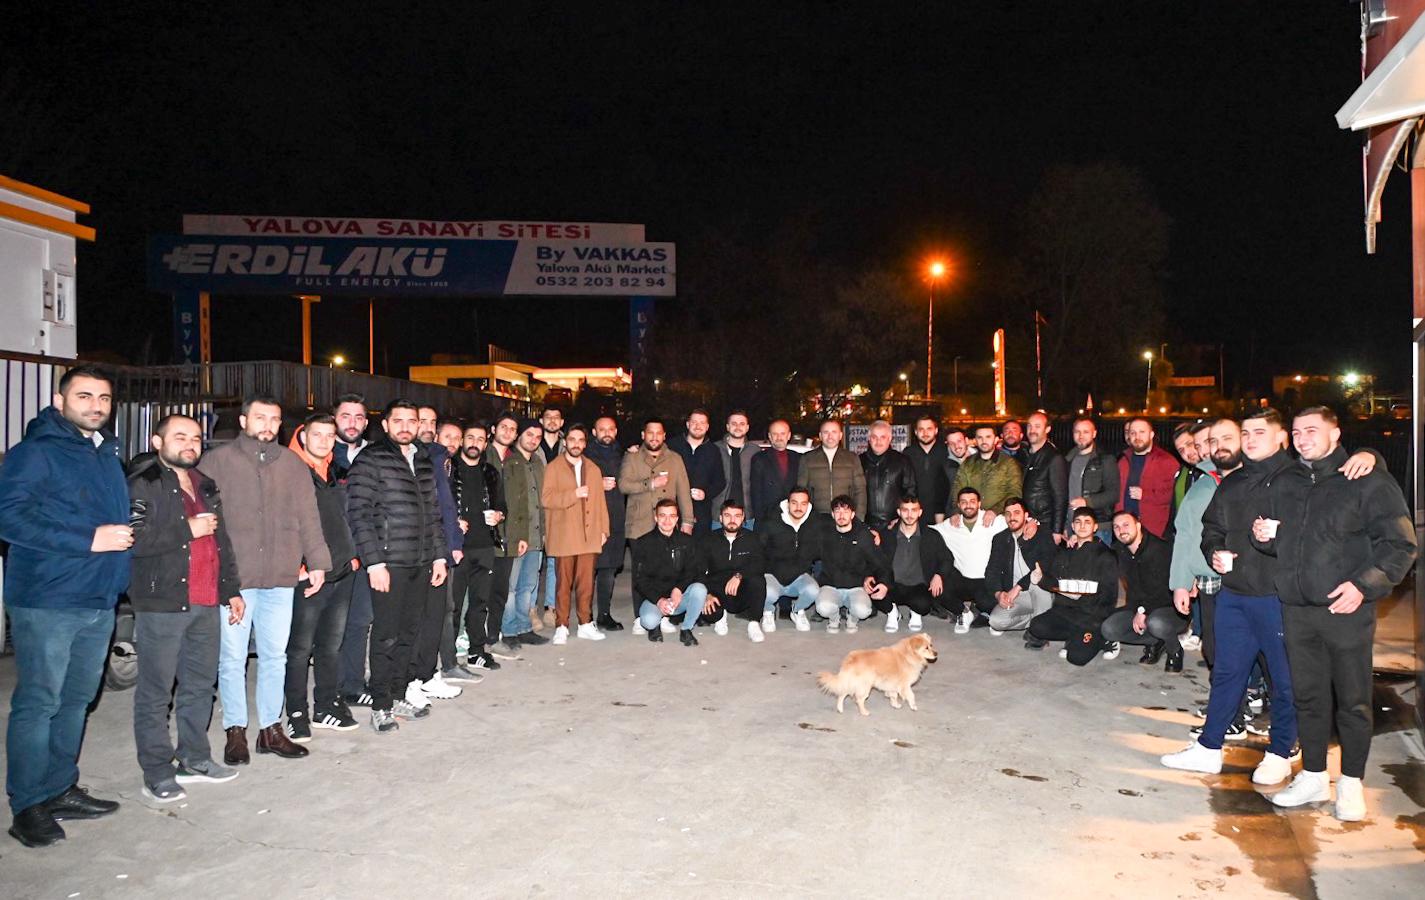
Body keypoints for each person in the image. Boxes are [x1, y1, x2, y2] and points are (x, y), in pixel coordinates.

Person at [1260, 407, 1416, 821]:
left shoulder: (1366, 479)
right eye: (1296, 431)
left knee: (1353, 701)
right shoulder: (1288, 482)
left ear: (1336, 433)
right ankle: (1313, 775)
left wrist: (1363, 586)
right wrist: (1268, 537)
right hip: (1297, 609)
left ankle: (1350, 782)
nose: (1302, 438)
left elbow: (1400, 545)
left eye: (1312, 430)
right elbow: (1284, 541)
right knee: (1308, 697)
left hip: (1346, 610)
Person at [0, 365, 130, 846]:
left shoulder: (104, 452)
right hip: (48, 597)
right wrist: (87, 539)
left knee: (76, 700)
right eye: (84, 396)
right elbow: (9, 517)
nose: (96, 405)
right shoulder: (35, 452)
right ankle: (27, 804)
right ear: (60, 401)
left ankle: (58, 788)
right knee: (40, 702)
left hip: (97, 596)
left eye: (104, 398)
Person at [1162, 408, 1298, 784]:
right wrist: (1215, 552)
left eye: (1258, 433)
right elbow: (1211, 528)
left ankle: (1281, 750)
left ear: (1280, 437)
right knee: (1225, 671)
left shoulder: (1298, 480)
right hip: (1235, 594)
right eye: (1246, 433)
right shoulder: (1233, 482)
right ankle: (1209, 748)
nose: (1250, 440)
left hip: (1277, 597)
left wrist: (1280, 536)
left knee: (1284, 678)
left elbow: (1319, 535)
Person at [202, 395, 330, 765]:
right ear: (244, 421)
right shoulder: (217, 462)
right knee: (232, 657)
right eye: (260, 418)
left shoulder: (291, 464)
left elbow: (308, 516)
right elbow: (205, 520)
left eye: (274, 419)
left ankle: (271, 729)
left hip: (279, 576)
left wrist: (317, 561)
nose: (268, 425)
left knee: (275, 655)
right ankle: (235, 730)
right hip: (236, 578)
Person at [126, 414, 244, 805]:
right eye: (180, 437)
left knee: (200, 686)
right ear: (157, 442)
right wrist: (186, 530)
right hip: (163, 602)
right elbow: (133, 539)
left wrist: (230, 589)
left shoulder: (204, 483)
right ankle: (157, 771)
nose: (190, 444)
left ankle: (194, 758)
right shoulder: (143, 482)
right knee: (156, 692)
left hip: (206, 600)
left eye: (195, 437)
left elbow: (221, 540)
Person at [345, 399, 450, 733]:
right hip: (389, 564)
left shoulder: (423, 460)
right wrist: (374, 562)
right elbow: (359, 514)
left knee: (409, 633)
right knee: (386, 635)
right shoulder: (371, 459)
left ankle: (397, 693)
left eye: (412, 421)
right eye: (398, 421)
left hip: (421, 560)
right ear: (386, 425)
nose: (406, 427)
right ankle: (380, 704)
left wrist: (438, 556)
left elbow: (433, 514)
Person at [283, 415, 364, 743]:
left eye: (330, 435)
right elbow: (284, 524)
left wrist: (354, 555)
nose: (324, 441)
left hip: (342, 570)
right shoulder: (290, 473)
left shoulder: (335, 472)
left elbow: (346, 516)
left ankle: (326, 706)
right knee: (300, 649)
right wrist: (298, 564)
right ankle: (296, 713)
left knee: (331, 645)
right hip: (309, 575)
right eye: (316, 434)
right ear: (303, 437)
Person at [1168, 419, 1233, 666]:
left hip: (1236, 577)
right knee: (1215, 645)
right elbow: (1187, 531)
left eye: (1206, 442)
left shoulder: (1233, 477)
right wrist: (1184, 579)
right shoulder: (1201, 478)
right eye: (1185, 448)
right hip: (1208, 574)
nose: (1197, 451)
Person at [619, 418, 696, 619]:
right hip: (640, 524)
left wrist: (687, 521)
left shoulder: (675, 459)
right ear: (643, 435)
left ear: (664, 436)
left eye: (658, 433)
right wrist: (650, 484)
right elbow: (623, 485)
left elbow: (684, 492)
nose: (654, 437)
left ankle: (666, 613)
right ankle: (639, 617)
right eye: (650, 433)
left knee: (669, 569)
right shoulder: (632, 457)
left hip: (668, 524)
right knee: (640, 573)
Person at [540, 424, 611, 644]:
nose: (576, 444)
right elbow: (546, 499)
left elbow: (600, 502)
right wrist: (574, 494)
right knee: (563, 584)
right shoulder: (553, 468)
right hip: (565, 534)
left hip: (589, 534)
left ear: (585, 444)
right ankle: (561, 625)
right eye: (572, 439)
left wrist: (604, 529)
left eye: (580, 440)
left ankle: (585, 623)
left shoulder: (593, 469)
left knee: (587, 583)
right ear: (565, 441)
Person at [1024, 508, 1120, 664]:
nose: (1082, 526)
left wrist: (1096, 615)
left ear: (1095, 527)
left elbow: (1110, 595)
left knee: (1076, 658)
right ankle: (1076, 637)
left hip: (1091, 616)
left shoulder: (1105, 555)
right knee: (1036, 626)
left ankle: (1104, 638)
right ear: (1073, 527)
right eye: (1078, 522)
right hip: (1065, 612)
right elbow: (1055, 582)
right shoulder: (1065, 553)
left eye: (1087, 522)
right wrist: (1041, 579)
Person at [450, 422, 505, 671]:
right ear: (462, 440)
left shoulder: (491, 472)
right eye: (470, 438)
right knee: (453, 605)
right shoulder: (450, 470)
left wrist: (499, 516)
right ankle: (448, 657)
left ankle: (476, 651)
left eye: (480, 439)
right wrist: (452, 522)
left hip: (484, 546)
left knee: (480, 602)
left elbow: (502, 505)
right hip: (458, 547)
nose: (474, 443)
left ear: (485, 444)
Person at [333, 393, 376, 711]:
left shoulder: (372, 455)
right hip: (332, 556)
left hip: (366, 553)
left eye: (359, 417)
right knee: (331, 626)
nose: (352, 423)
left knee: (360, 620)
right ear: (334, 418)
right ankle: (331, 689)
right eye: (346, 416)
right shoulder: (322, 452)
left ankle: (354, 685)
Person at [1101, 510, 1185, 669]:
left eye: (1126, 525)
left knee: (1155, 623)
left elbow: (1163, 591)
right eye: (1116, 527)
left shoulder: (1159, 549)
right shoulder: (1120, 550)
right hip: (1139, 607)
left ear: (1138, 525)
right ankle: (1156, 641)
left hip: (1170, 609)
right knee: (1109, 628)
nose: (1121, 530)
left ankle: (1174, 649)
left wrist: (1143, 611)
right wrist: (1079, 541)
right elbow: (1101, 556)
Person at [495, 419, 550, 650]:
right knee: (510, 586)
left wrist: (544, 532)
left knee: (527, 586)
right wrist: (514, 536)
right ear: (519, 436)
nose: (533, 440)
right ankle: (508, 630)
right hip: (516, 536)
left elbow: (541, 501)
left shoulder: (537, 462)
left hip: (536, 535)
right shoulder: (509, 461)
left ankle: (524, 627)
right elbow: (508, 503)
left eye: (538, 437)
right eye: (529, 434)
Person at [630, 498, 707, 647]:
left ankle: (686, 629)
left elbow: (692, 571)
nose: (667, 520)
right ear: (656, 518)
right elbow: (640, 580)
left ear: (677, 519)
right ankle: (656, 625)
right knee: (648, 621)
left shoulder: (687, 541)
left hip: (679, 598)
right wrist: (659, 600)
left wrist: (678, 589)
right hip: (655, 599)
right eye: (663, 515)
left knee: (700, 589)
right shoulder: (643, 543)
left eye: (672, 516)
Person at [874, 496, 955, 634]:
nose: (909, 514)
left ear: (920, 512)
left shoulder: (931, 535)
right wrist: (880, 582)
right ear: (899, 512)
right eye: (905, 510)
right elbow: (875, 560)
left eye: (914, 510)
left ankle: (916, 612)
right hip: (893, 584)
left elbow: (947, 559)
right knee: (874, 591)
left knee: (923, 605)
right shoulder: (887, 535)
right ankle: (893, 613)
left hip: (918, 586)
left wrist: (939, 575)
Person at [932, 487, 1008, 632]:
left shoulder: (993, 520)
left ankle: (989, 615)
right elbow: (931, 530)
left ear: (979, 503)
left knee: (988, 603)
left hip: (986, 580)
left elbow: (1018, 520)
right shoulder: (952, 524)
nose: (968, 505)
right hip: (962, 579)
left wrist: (1033, 523)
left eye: (972, 501)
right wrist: (897, 524)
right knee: (937, 590)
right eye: (964, 502)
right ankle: (964, 613)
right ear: (959, 505)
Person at [813, 495, 888, 633]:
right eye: (837, 511)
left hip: (856, 587)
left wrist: (883, 583)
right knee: (823, 607)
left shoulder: (863, 536)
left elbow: (880, 563)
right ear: (832, 514)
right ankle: (834, 618)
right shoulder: (824, 534)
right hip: (831, 585)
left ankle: (852, 618)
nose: (841, 515)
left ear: (853, 514)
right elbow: (807, 554)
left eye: (846, 511)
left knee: (863, 611)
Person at [984, 497, 1057, 635]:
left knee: (1037, 582)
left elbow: (1044, 565)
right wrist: (999, 594)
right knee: (996, 622)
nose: (1012, 517)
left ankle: (1040, 630)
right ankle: (1039, 620)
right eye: (1008, 514)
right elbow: (991, 571)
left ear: (1026, 515)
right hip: (1019, 596)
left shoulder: (1042, 533)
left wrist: (1017, 587)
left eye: (1017, 513)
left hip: (1042, 591)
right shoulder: (1000, 539)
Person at [696, 500, 768, 641]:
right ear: (720, 518)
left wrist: (739, 575)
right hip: (716, 588)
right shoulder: (708, 539)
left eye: (737, 516)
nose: (732, 520)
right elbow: (698, 569)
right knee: (710, 614)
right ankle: (720, 616)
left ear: (743, 518)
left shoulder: (753, 538)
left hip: (740, 588)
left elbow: (760, 564)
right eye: (727, 515)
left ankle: (754, 623)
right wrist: (706, 594)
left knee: (758, 581)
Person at [758, 487, 823, 633]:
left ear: (808, 505)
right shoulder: (772, 521)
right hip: (772, 576)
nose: (798, 508)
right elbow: (759, 551)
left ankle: (797, 610)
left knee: (813, 590)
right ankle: (768, 611)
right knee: (766, 591)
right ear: (787, 504)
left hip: (799, 576)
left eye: (803, 503)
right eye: (794, 503)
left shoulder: (814, 523)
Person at [584, 416, 628, 631]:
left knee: (609, 570)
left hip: (616, 518)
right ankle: (585, 616)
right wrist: (596, 484)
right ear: (594, 432)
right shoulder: (585, 455)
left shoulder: (623, 455)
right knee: (587, 570)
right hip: (591, 519)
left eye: (610, 429)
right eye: (602, 429)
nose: (607, 432)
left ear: (616, 431)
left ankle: (604, 614)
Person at [1116, 418, 1178, 539]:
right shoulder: (1122, 460)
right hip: (1124, 531)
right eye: (1133, 433)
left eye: (1142, 432)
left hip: (1153, 531)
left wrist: (1145, 495)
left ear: (1151, 434)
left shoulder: (1167, 461)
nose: (1137, 436)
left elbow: (1173, 496)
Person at [1063, 416, 1119, 544]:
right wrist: (1065, 524)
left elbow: (1113, 494)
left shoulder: (1105, 460)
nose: (1081, 436)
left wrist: (1087, 502)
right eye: (1077, 432)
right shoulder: (1067, 460)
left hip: (1098, 527)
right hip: (1073, 526)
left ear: (1094, 434)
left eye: (1086, 432)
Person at [669, 408, 726, 533]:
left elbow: (720, 482)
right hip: (673, 511)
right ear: (687, 424)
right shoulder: (672, 446)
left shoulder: (713, 451)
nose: (697, 426)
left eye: (702, 423)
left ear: (707, 427)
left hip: (702, 512)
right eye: (694, 422)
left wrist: (706, 494)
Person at [795, 419, 867, 516]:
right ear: (820, 436)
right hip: (817, 518)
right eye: (826, 432)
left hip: (844, 518)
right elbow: (801, 491)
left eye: (834, 432)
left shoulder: (852, 459)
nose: (830, 436)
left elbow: (860, 490)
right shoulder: (807, 459)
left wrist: (859, 518)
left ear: (840, 435)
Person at [951, 425, 1023, 514]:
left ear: (996, 440)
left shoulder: (1009, 463)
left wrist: (995, 511)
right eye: (980, 437)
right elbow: (958, 490)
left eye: (988, 437)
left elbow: (1015, 492)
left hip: (1000, 517)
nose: (984, 441)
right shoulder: (967, 463)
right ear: (975, 440)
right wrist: (956, 512)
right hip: (972, 516)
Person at [860, 419, 916, 529]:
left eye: (883, 437)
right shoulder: (859, 461)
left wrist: (901, 518)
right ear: (869, 439)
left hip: (894, 525)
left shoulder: (902, 461)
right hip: (865, 526)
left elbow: (911, 492)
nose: (878, 441)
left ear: (890, 438)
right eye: (874, 437)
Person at [1021, 412, 1067, 541]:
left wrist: (1057, 530)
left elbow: (1060, 496)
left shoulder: (1054, 458)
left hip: (1045, 524)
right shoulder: (1025, 454)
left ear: (1047, 429)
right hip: (1028, 521)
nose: (1032, 430)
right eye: (1029, 426)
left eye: (1037, 426)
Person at [711, 409, 762, 528]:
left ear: (747, 427)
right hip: (719, 515)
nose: (738, 427)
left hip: (747, 516)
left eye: (742, 424)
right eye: (734, 423)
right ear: (727, 427)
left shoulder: (755, 451)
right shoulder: (714, 449)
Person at [748, 418, 801, 523]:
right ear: (770, 436)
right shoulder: (759, 458)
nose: (779, 437)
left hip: (793, 517)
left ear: (789, 435)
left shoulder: (798, 458)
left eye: (782, 433)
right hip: (768, 517)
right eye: (775, 434)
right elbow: (756, 492)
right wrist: (760, 519)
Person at [905, 416, 950, 524]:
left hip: (945, 514)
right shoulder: (907, 454)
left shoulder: (947, 452)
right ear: (915, 432)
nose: (925, 433)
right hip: (915, 515)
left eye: (929, 429)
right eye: (921, 429)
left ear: (936, 430)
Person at [1171, 422, 1207, 516]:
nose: (1187, 452)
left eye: (1189, 444)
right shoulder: (1183, 473)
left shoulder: (1219, 473)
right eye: (1181, 450)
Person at [942, 427, 970, 516]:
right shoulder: (944, 466)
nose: (956, 446)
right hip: (953, 516)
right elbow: (941, 497)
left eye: (959, 441)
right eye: (952, 443)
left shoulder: (981, 461)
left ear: (966, 441)